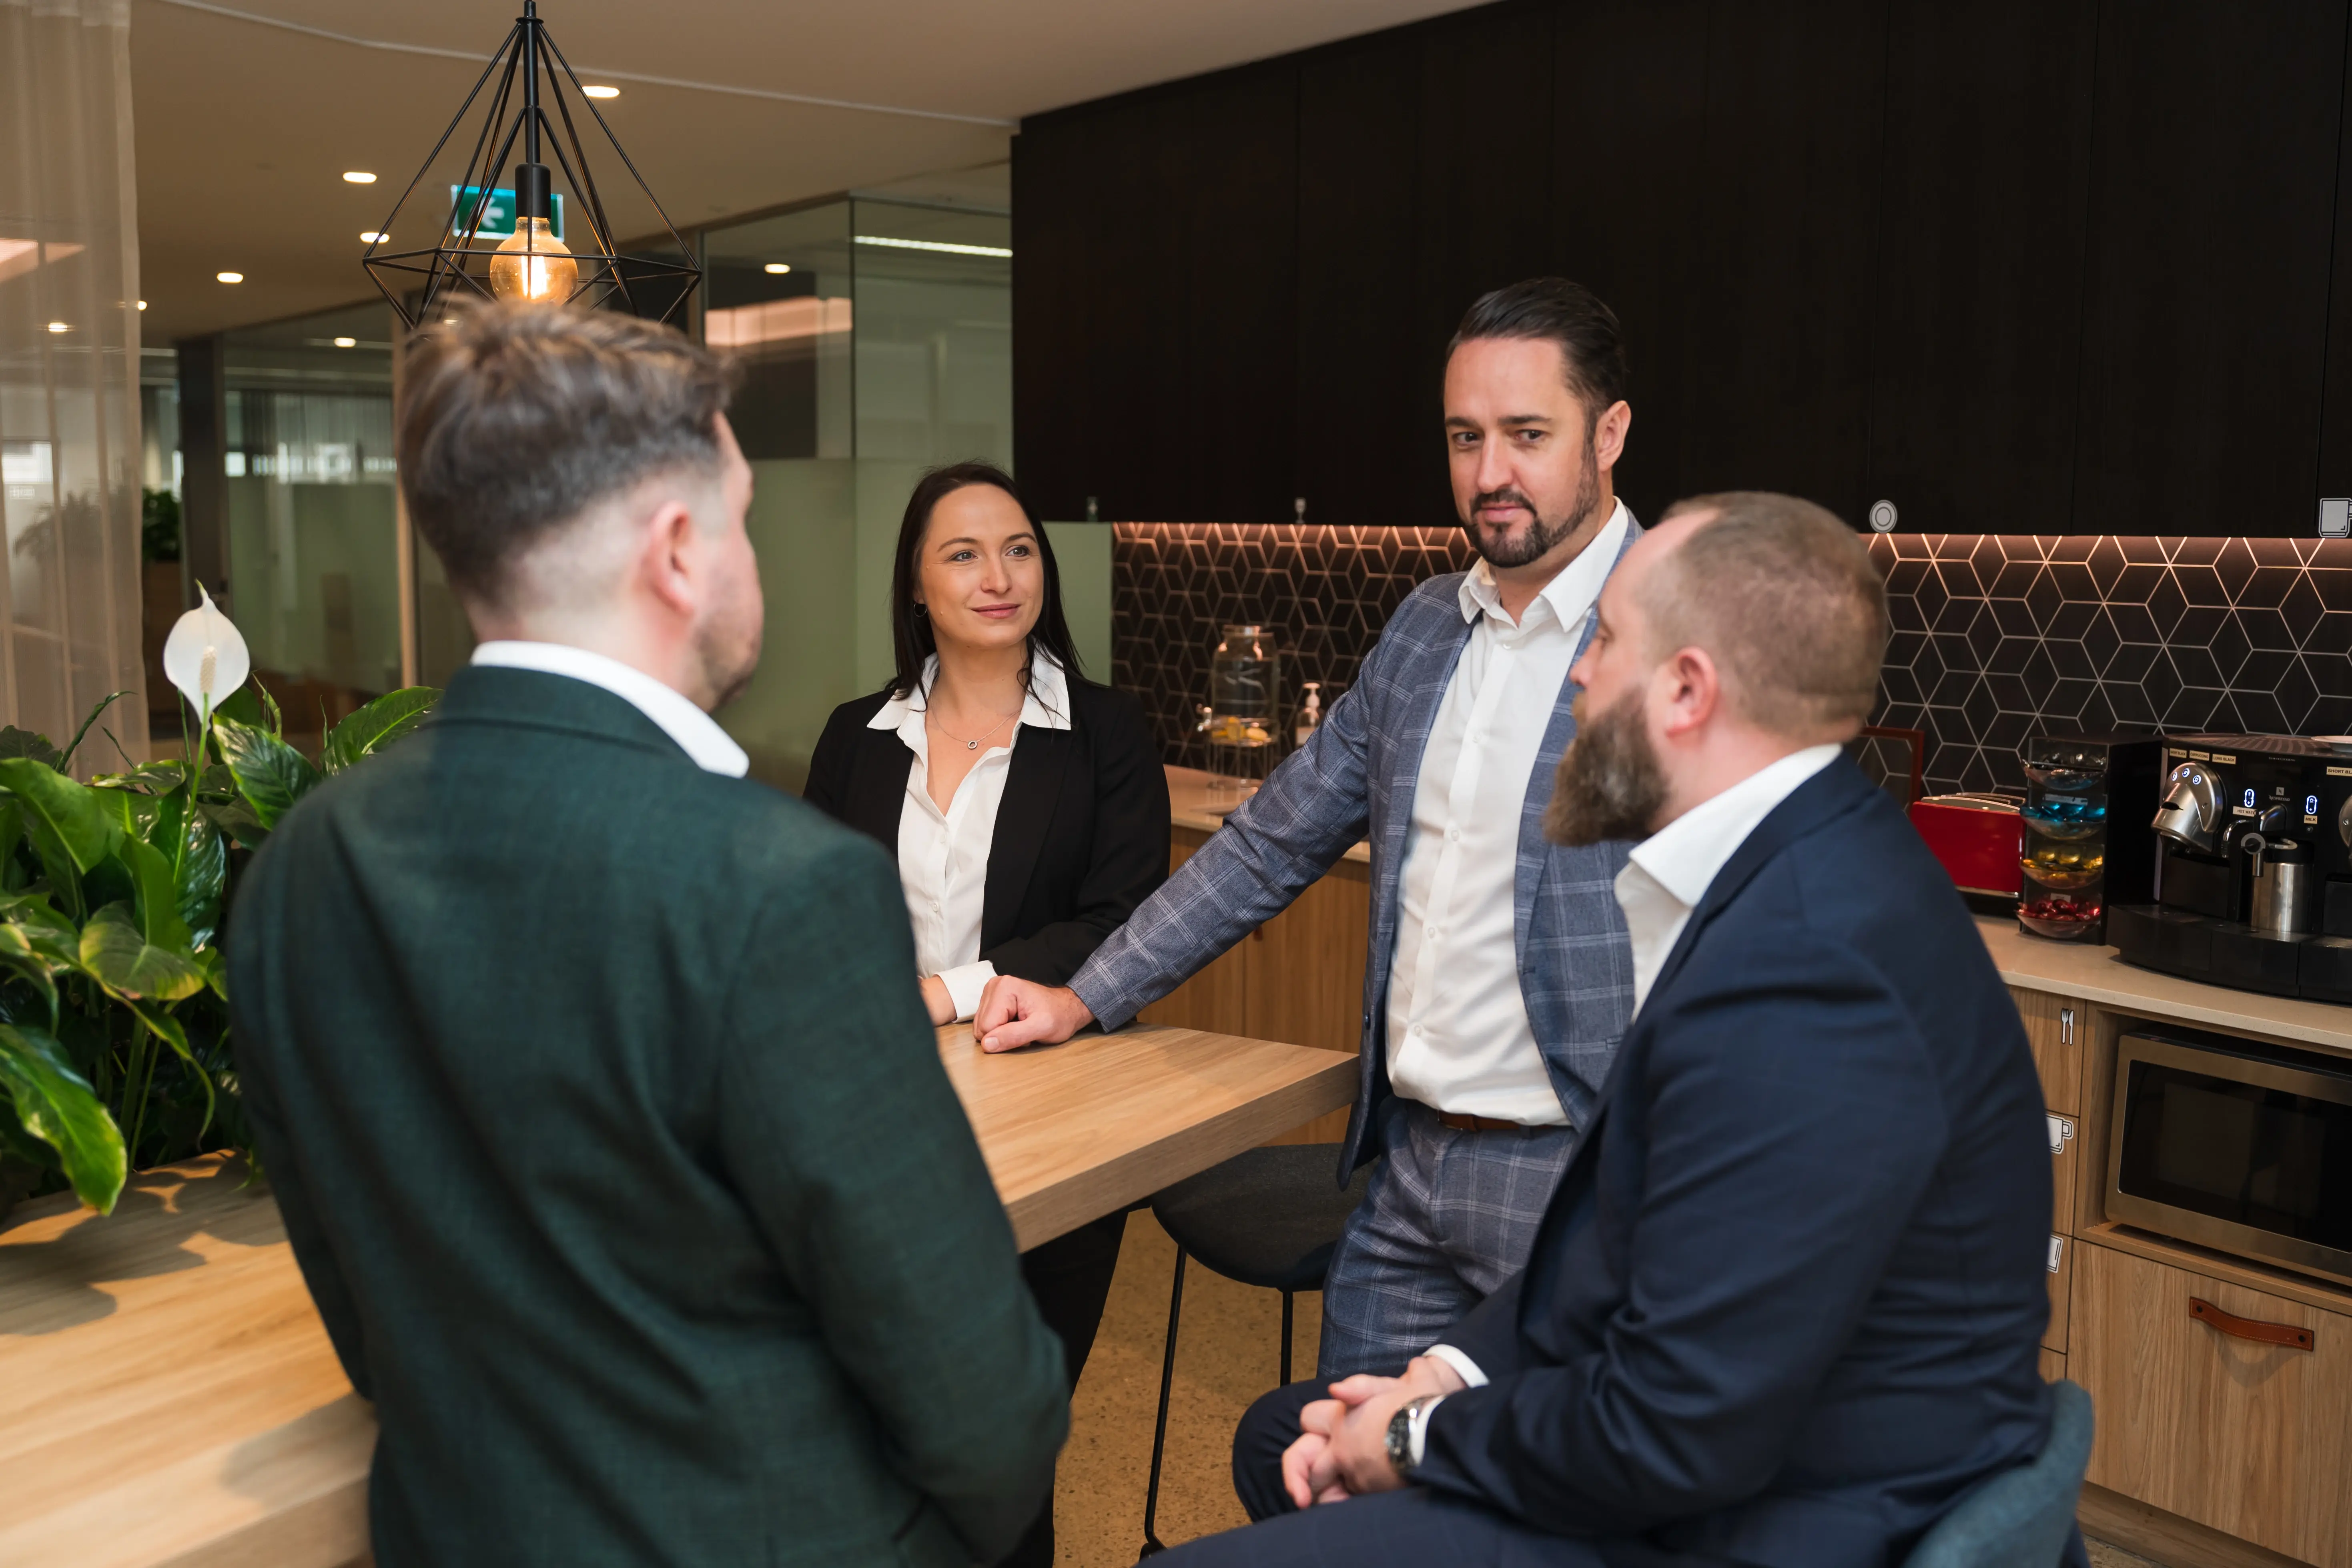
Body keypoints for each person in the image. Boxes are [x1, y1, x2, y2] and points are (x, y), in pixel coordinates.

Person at [228, 303, 1067, 1568]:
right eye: (739, 518)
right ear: (679, 553)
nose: (750, 559)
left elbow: (373, 1325)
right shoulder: (781, 889)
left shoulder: (300, 865)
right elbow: (985, 1407)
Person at [1169, 492, 2062, 1568]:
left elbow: (1671, 1429)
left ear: (1684, 691)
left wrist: (1413, 1436)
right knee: (1285, 1437)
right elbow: (1634, 1254)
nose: (1578, 673)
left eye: (1599, 639)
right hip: (1753, 1445)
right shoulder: (1802, 861)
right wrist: (1441, 1374)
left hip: (1778, 1522)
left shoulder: (1808, 973)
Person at [978, 277, 1644, 1378]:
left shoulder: (1680, 627)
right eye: (1464, 437)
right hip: (1404, 1166)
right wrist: (1087, 991)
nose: (1489, 474)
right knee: (1340, 1497)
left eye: (1527, 434)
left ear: (1609, 431)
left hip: (1579, 1177)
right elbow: (1269, 840)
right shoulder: (1428, 626)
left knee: (1536, 1527)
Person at [801, 459, 1169, 1568]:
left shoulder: (1106, 733)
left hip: (1054, 1118)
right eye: (961, 553)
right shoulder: (854, 735)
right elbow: (811, 910)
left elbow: (1123, 918)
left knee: (1002, 1442)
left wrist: (949, 990)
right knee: (876, 1430)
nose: (997, 575)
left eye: (1017, 549)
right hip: (880, 1120)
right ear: (917, 584)